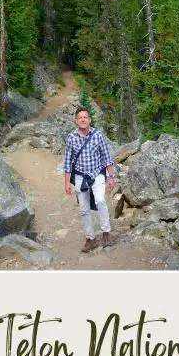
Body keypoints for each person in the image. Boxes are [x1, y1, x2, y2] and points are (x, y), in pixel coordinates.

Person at [63, 107, 115, 253]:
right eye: (80, 117)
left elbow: (106, 156)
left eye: (85, 117)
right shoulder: (71, 137)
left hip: (97, 174)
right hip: (80, 176)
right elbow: (67, 162)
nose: (83, 119)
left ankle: (106, 233)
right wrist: (67, 182)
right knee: (84, 209)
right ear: (76, 120)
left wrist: (111, 176)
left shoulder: (97, 135)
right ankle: (90, 239)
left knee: (100, 201)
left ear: (89, 120)